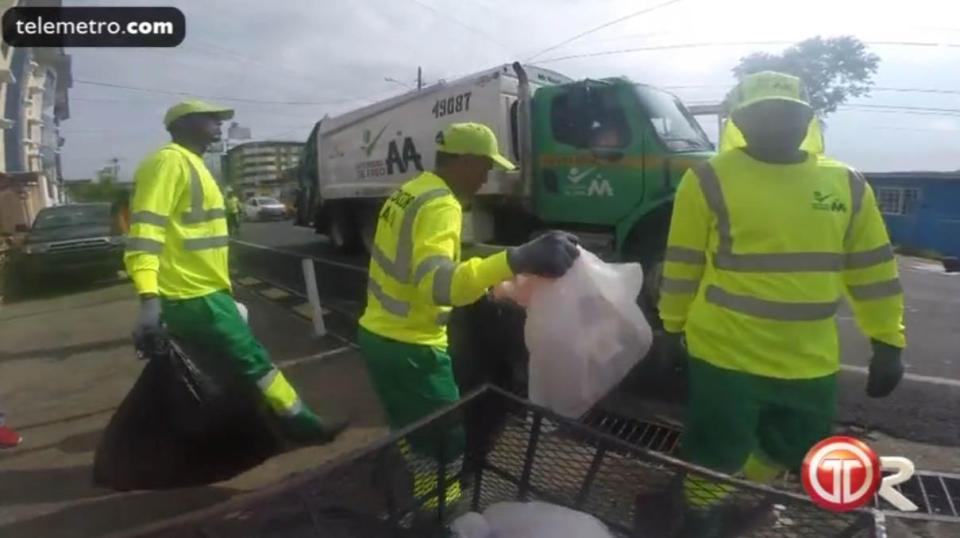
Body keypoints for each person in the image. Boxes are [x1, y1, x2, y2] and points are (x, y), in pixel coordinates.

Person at [649, 71, 906, 536]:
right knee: (715, 447)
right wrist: (670, 327)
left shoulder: (846, 184)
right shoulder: (708, 179)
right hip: (724, 352)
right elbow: (683, 263)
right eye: (759, 112)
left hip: (809, 358)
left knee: (795, 444)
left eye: (787, 112)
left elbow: (872, 271)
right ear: (740, 123)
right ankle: (699, 516)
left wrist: (888, 341)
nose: (774, 121)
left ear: (806, 119)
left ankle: (728, 492)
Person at [358, 122, 580, 511]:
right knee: (447, 446)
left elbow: (414, 268)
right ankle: (440, 519)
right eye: (484, 166)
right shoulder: (441, 204)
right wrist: (516, 258)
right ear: (464, 161)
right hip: (414, 349)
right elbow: (441, 286)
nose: (485, 177)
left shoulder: (409, 193)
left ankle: (403, 497)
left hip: (378, 336)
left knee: (412, 432)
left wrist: (490, 279)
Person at [125, 99, 345, 444]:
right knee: (252, 360)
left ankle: (236, 429)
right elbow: (145, 235)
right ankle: (305, 426)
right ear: (185, 124)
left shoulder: (192, 164)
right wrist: (149, 297)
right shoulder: (168, 163)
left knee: (218, 366)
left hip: (206, 291)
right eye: (211, 119)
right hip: (192, 295)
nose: (219, 125)